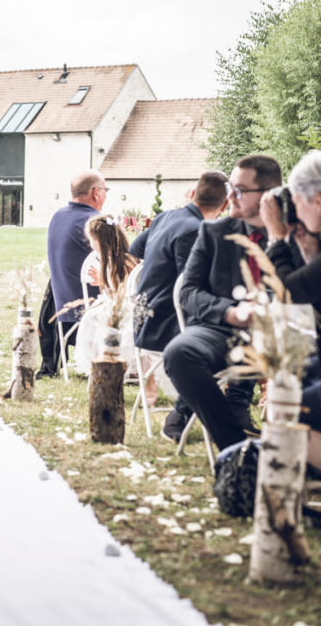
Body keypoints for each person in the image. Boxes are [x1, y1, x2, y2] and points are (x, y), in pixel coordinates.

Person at [260, 148, 321, 530]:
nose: (294, 210)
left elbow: (287, 292)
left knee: (286, 419)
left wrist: (275, 239)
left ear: (318, 200)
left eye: (297, 201)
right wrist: (308, 252)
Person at [162, 155, 284, 448]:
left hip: (281, 332)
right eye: (231, 187)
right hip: (222, 329)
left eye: (240, 190)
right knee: (179, 352)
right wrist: (229, 312)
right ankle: (234, 446)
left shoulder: (293, 233)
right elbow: (187, 291)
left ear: (268, 194)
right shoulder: (214, 232)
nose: (230, 196)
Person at [130, 171, 229, 403]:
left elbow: (133, 251)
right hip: (164, 323)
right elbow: (190, 289)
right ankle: (224, 399)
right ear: (224, 205)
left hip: (141, 315)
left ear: (193, 193)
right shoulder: (196, 230)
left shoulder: (165, 217)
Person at [39, 171, 107, 375]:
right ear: (96, 193)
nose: (106, 195)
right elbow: (117, 262)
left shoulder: (58, 217)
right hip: (89, 314)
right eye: (105, 190)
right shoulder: (95, 222)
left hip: (60, 308)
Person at [72, 214, 138, 375]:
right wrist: (101, 281)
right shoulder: (108, 260)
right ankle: (97, 362)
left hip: (127, 306)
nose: (90, 244)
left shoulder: (126, 261)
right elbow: (113, 288)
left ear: (101, 240)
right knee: (90, 318)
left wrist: (104, 281)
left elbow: (125, 291)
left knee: (92, 319)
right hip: (115, 302)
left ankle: (117, 363)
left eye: (91, 240)